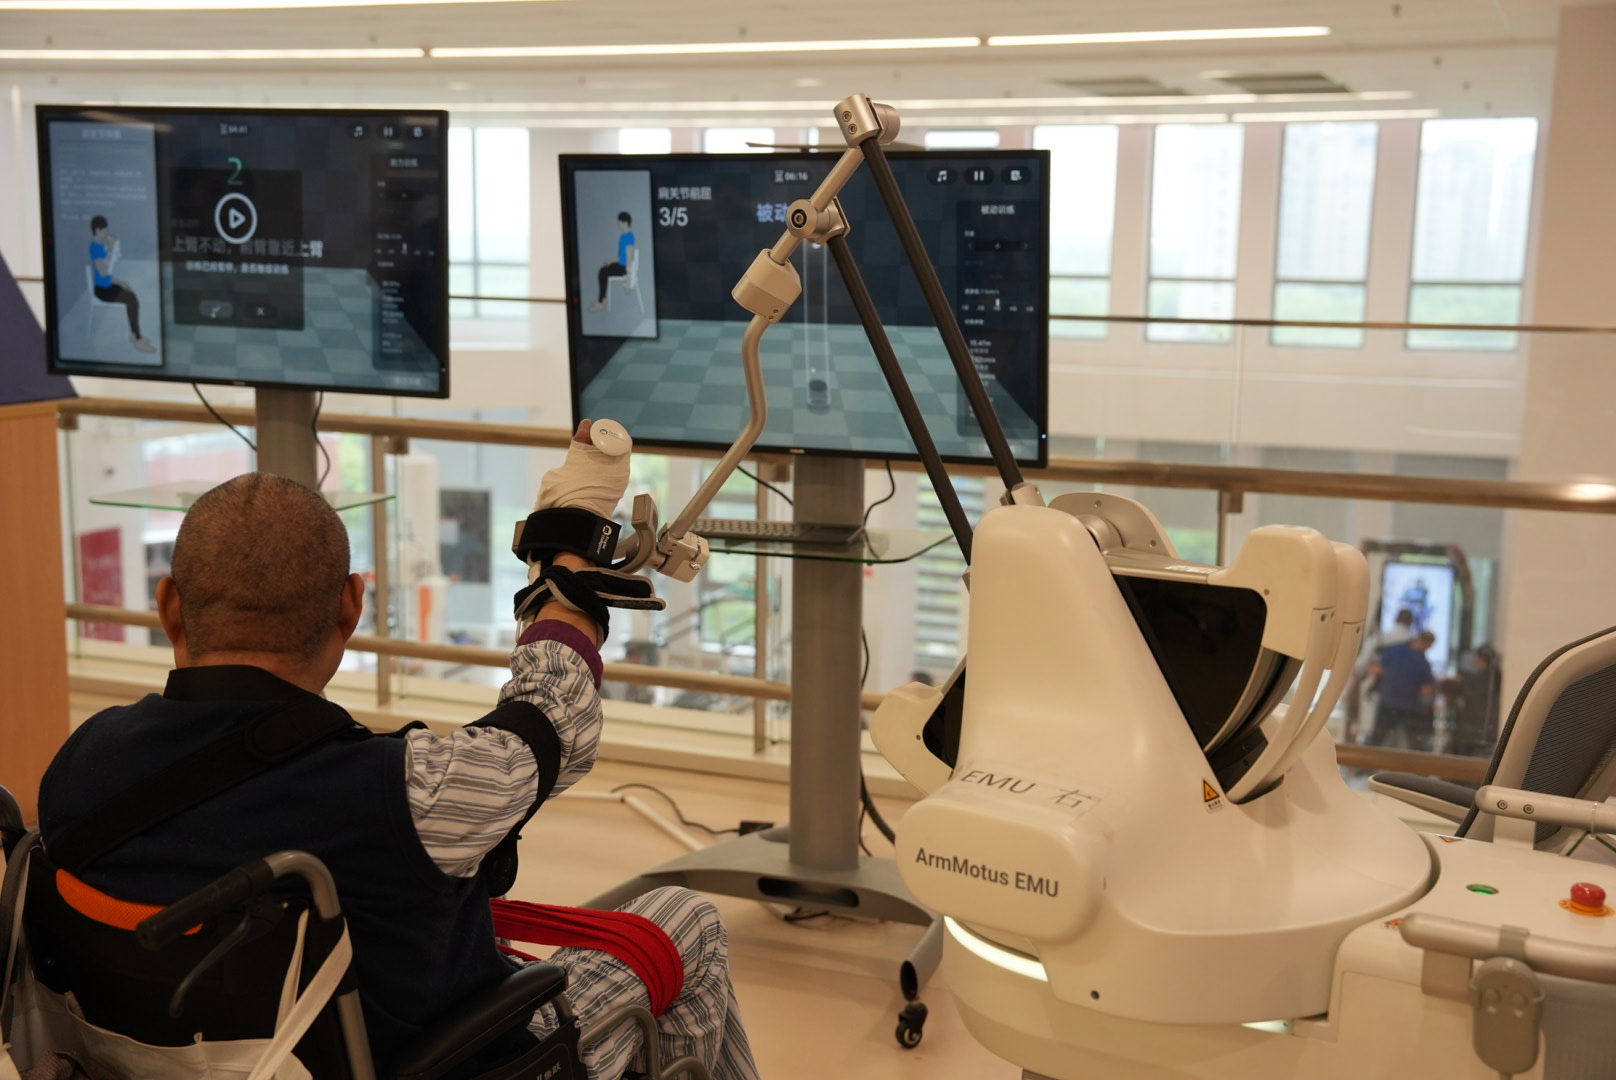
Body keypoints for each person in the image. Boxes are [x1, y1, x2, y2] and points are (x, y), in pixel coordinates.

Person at [38, 425, 759, 1080]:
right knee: (684, 921)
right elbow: (553, 721)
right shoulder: (406, 794)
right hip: (446, 1062)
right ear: (351, 606)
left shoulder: (79, 765)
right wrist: (567, 567)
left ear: (169, 606)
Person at [88, 215, 156, 354]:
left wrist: (121, 282)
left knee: (130, 294)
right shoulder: (96, 248)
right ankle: (137, 338)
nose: (107, 234)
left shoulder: (100, 247)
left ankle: (134, 334)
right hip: (102, 290)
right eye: (105, 231)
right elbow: (103, 272)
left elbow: (107, 274)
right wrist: (112, 250)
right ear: (98, 230)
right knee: (131, 300)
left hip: (105, 286)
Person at [1366, 630, 1437, 750]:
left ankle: (1367, 761)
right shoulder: (1422, 662)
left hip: (1388, 703)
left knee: (1377, 739)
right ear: (1426, 643)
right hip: (1409, 707)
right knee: (1415, 743)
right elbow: (1426, 690)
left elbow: (1377, 670)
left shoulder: (1394, 651)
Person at [1441, 644, 1503, 759]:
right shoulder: (1496, 677)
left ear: (1481, 659)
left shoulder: (1481, 680)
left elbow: (1452, 687)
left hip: (1473, 729)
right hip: (1484, 728)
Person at [590, 211, 636, 311]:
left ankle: (601, 302)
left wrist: (629, 277)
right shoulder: (623, 237)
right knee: (603, 269)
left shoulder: (629, 237)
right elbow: (621, 257)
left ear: (625, 223)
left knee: (603, 272)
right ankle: (602, 300)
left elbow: (629, 258)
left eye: (620, 223)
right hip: (621, 264)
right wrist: (611, 261)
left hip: (623, 268)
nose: (619, 225)